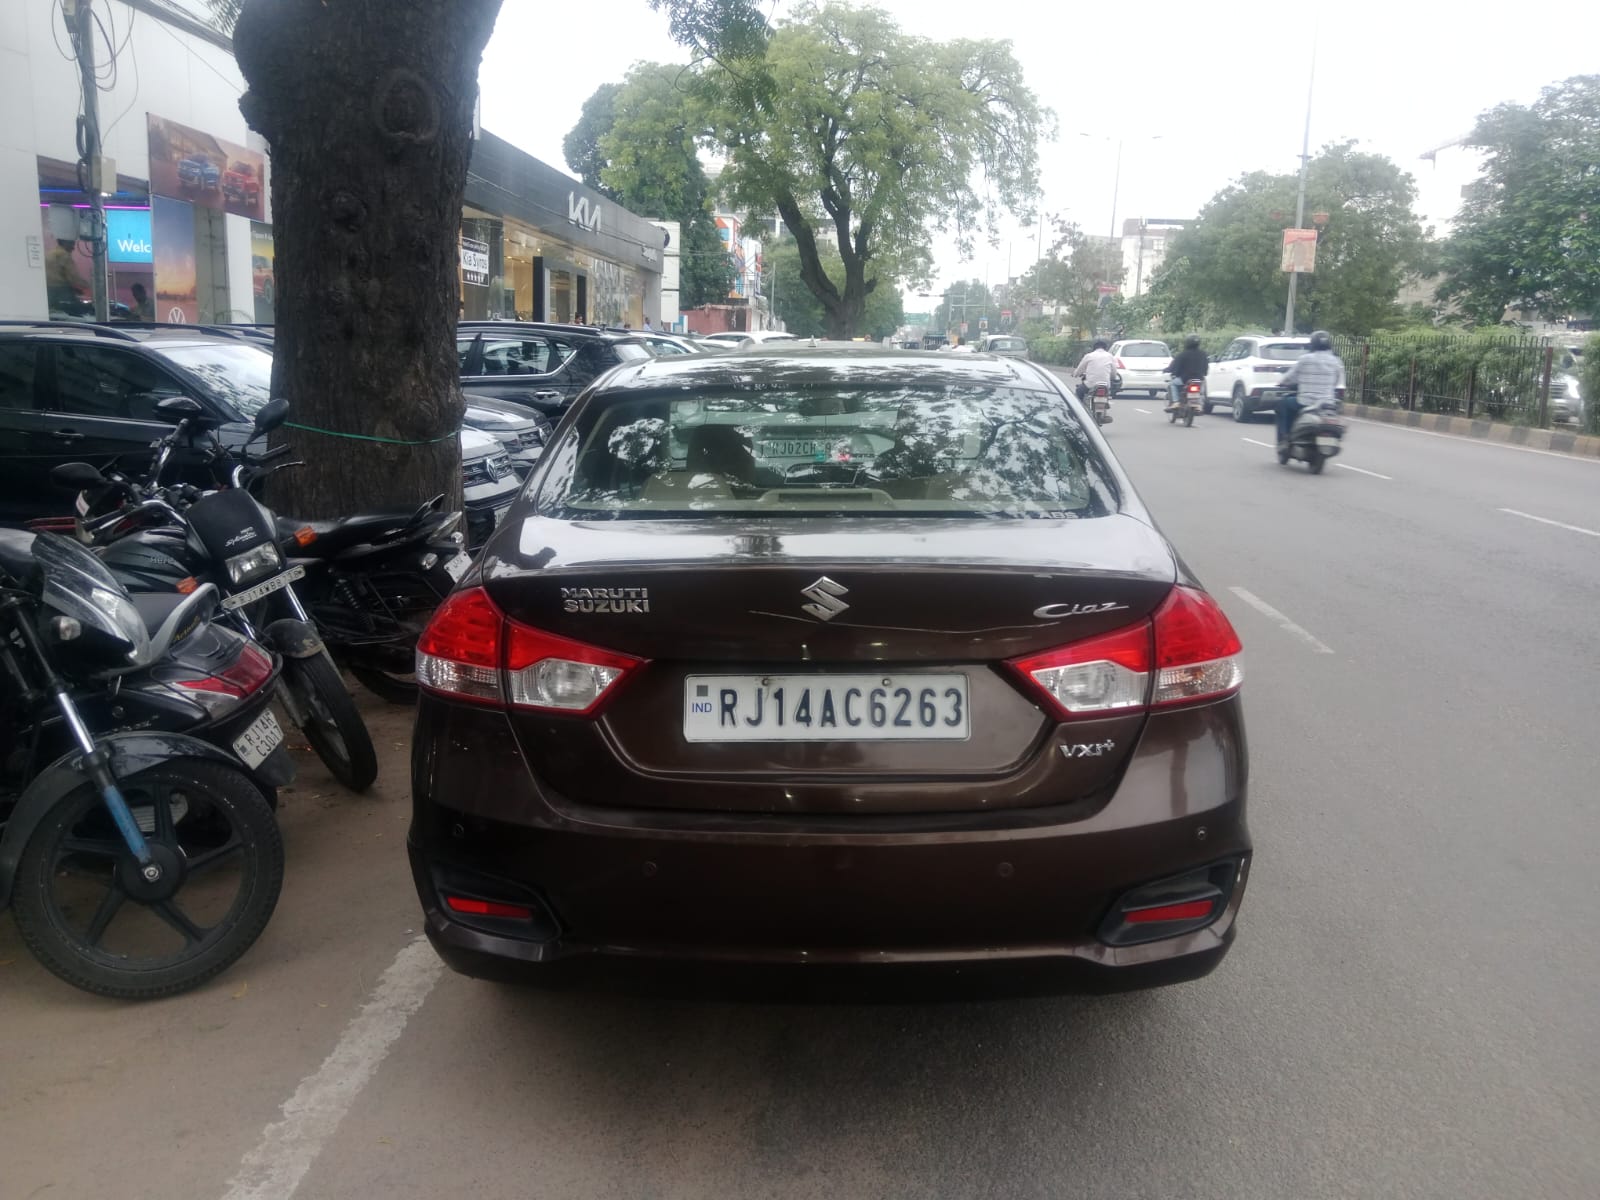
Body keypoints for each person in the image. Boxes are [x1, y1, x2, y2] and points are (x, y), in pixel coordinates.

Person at [1277, 330, 1345, 449]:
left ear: (1312, 344)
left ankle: (1285, 438)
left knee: (1283, 403)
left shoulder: (1305, 359)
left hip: (1305, 402)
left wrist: (1281, 382)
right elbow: (1338, 383)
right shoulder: (1336, 361)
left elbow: (1290, 377)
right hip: (1327, 403)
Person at [1164, 335, 1209, 410]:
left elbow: (1174, 366)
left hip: (1184, 379)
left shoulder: (1183, 354)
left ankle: (1176, 402)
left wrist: (1168, 370)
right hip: (1199, 379)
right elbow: (1206, 367)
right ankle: (1199, 404)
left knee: (1172, 384)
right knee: (1201, 390)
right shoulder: (1203, 354)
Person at [45, 239, 88, 311]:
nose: (73, 248)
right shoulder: (64, 255)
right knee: (82, 310)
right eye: (72, 244)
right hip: (61, 292)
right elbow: (73, 278)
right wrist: (90, 286)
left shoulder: (50, 253)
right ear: (65, 242)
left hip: (49, 291)